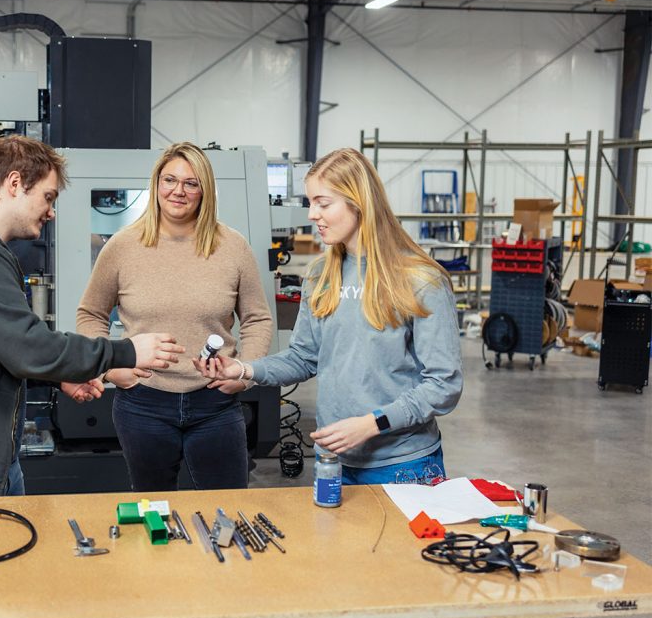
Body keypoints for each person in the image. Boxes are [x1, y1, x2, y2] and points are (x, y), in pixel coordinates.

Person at [0, 135, 184, 498]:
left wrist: (58, 378)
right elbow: (30, 346)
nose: (51, 211)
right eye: (48, 196)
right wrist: (127, 351)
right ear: (14, 184)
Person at [198, 147, 462, 484]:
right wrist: (245, 369)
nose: (312, 215)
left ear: (358, 201)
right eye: (310, 203)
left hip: (402, 463)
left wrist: (372, 423)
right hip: (334, 459)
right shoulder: (321, 273)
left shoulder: (421, 279)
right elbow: (304, 357)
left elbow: (444, 385)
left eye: (323, 203)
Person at [76, 142, 274, 491]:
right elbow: (90, 314)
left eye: (191, 183)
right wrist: (111, 368)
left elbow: (258, 318)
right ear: (156, 184)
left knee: (227, 507)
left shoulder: (233, 246)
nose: (178, 191)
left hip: (215, 403)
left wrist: (245, 374)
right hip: (143, 403)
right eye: (169, 180)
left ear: (205, 191)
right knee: (154, 510)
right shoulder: (123, 247)